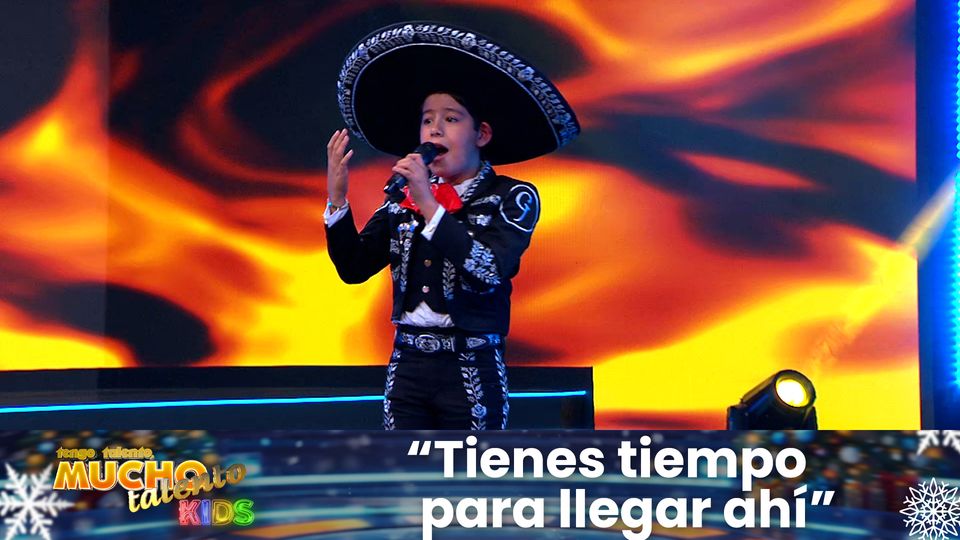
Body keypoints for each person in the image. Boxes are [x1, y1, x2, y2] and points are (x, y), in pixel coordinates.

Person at [325, 22, 579, 429]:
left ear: (481, 134)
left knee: (468, 468)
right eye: (427, 120)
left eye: (451, 119)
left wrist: (429, 204)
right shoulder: (403, 199)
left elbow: (487, 271)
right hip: (408, 364)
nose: (435, 130)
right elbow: (353, 268)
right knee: (405, 465)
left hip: (471, 364)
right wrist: (338, 200)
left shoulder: (511, 196)